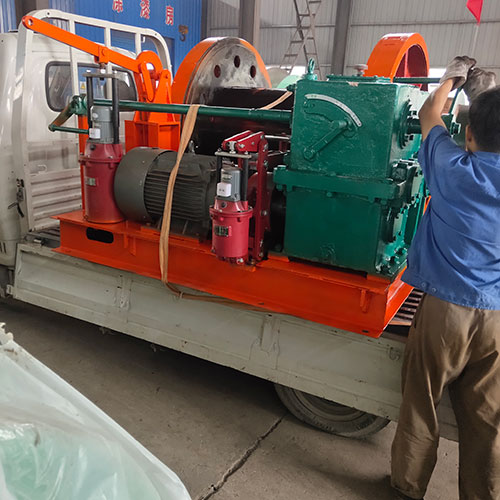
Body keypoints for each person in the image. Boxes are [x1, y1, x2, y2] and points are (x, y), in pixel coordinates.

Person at [390, 57, 500, 500]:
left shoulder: (453, 169)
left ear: (468, 135)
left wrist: (451, 79)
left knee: (421, 406)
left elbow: (428, 114)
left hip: (445, 314)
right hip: (496, 320)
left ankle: (407, 488)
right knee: (488, 420)